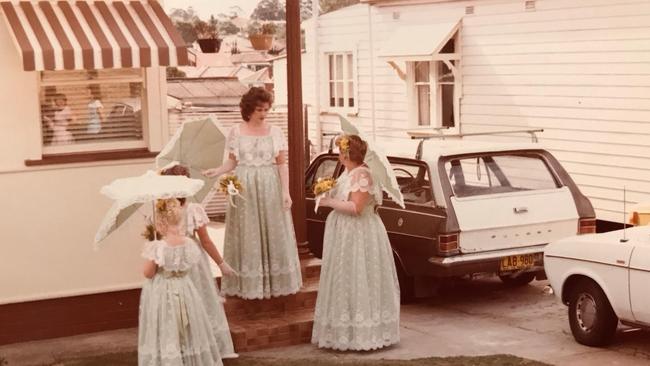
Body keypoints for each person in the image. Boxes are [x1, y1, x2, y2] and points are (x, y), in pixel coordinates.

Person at [203, 87, 302, 299]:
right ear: (249, 109)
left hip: (269, 187)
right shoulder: (236, 131)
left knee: (273, 230)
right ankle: (249, 284)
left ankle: (275, 282)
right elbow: (232, 161)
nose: (263, 113)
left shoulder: (275, 132)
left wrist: (286, 192)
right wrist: (218, 170)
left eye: (266, 109)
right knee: (248, 233)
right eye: (259, 109)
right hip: (245, 188)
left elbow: (282, 164)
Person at [311, 134, 400, 351]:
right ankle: (345, 331)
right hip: (344, 234)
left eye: (340, 151)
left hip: (358, 233)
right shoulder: (347, 173)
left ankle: (363, 333)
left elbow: (356, 208)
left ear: (346, 153)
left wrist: (327, 201)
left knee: (359, 276)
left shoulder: (362, 174)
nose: (338, 155)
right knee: (345, 278)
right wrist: (325, 190)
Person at [160, 164, 238, 358]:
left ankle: (183, 346)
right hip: (191, 259)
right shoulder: (193, 209)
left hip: (171, 259)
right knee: (200, 299)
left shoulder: (162, 209)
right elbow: (206, 241)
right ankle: (201, 345)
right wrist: (221, 263)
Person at [138, 198, 223, 366]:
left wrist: (153, 251)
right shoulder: (189, 243)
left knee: (168, 323)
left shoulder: (158, 247)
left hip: (164, 291)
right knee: (188, 325)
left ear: (160, 224)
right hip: (186, 288)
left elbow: (148, 273)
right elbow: (190, 265)